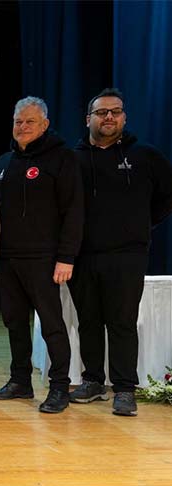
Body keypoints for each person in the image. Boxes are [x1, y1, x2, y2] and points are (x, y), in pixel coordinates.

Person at [68, 88, 172, 417]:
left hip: (128, 254)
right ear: (89, 119)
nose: (109, 117)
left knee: (122, 322)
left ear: (124, 118)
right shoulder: (75, 158)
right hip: (84, 254)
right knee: (89, 321)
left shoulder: (145, 155)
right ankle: (93, 381)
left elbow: (167, 197)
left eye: (115, 112)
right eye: (102, 112)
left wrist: (141, 225)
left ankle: (125, 388)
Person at [0, 96, 83, 414]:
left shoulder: (62, 159)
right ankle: (20, 381)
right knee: (14, 322)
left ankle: (59, 387)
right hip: (8, 259)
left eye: (30, 121)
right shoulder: (3, 163)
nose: (23, 127)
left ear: (44, 124)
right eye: (18, 121)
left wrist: (66, 257)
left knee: (51, 325)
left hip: (45, 258)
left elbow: (74, 212)